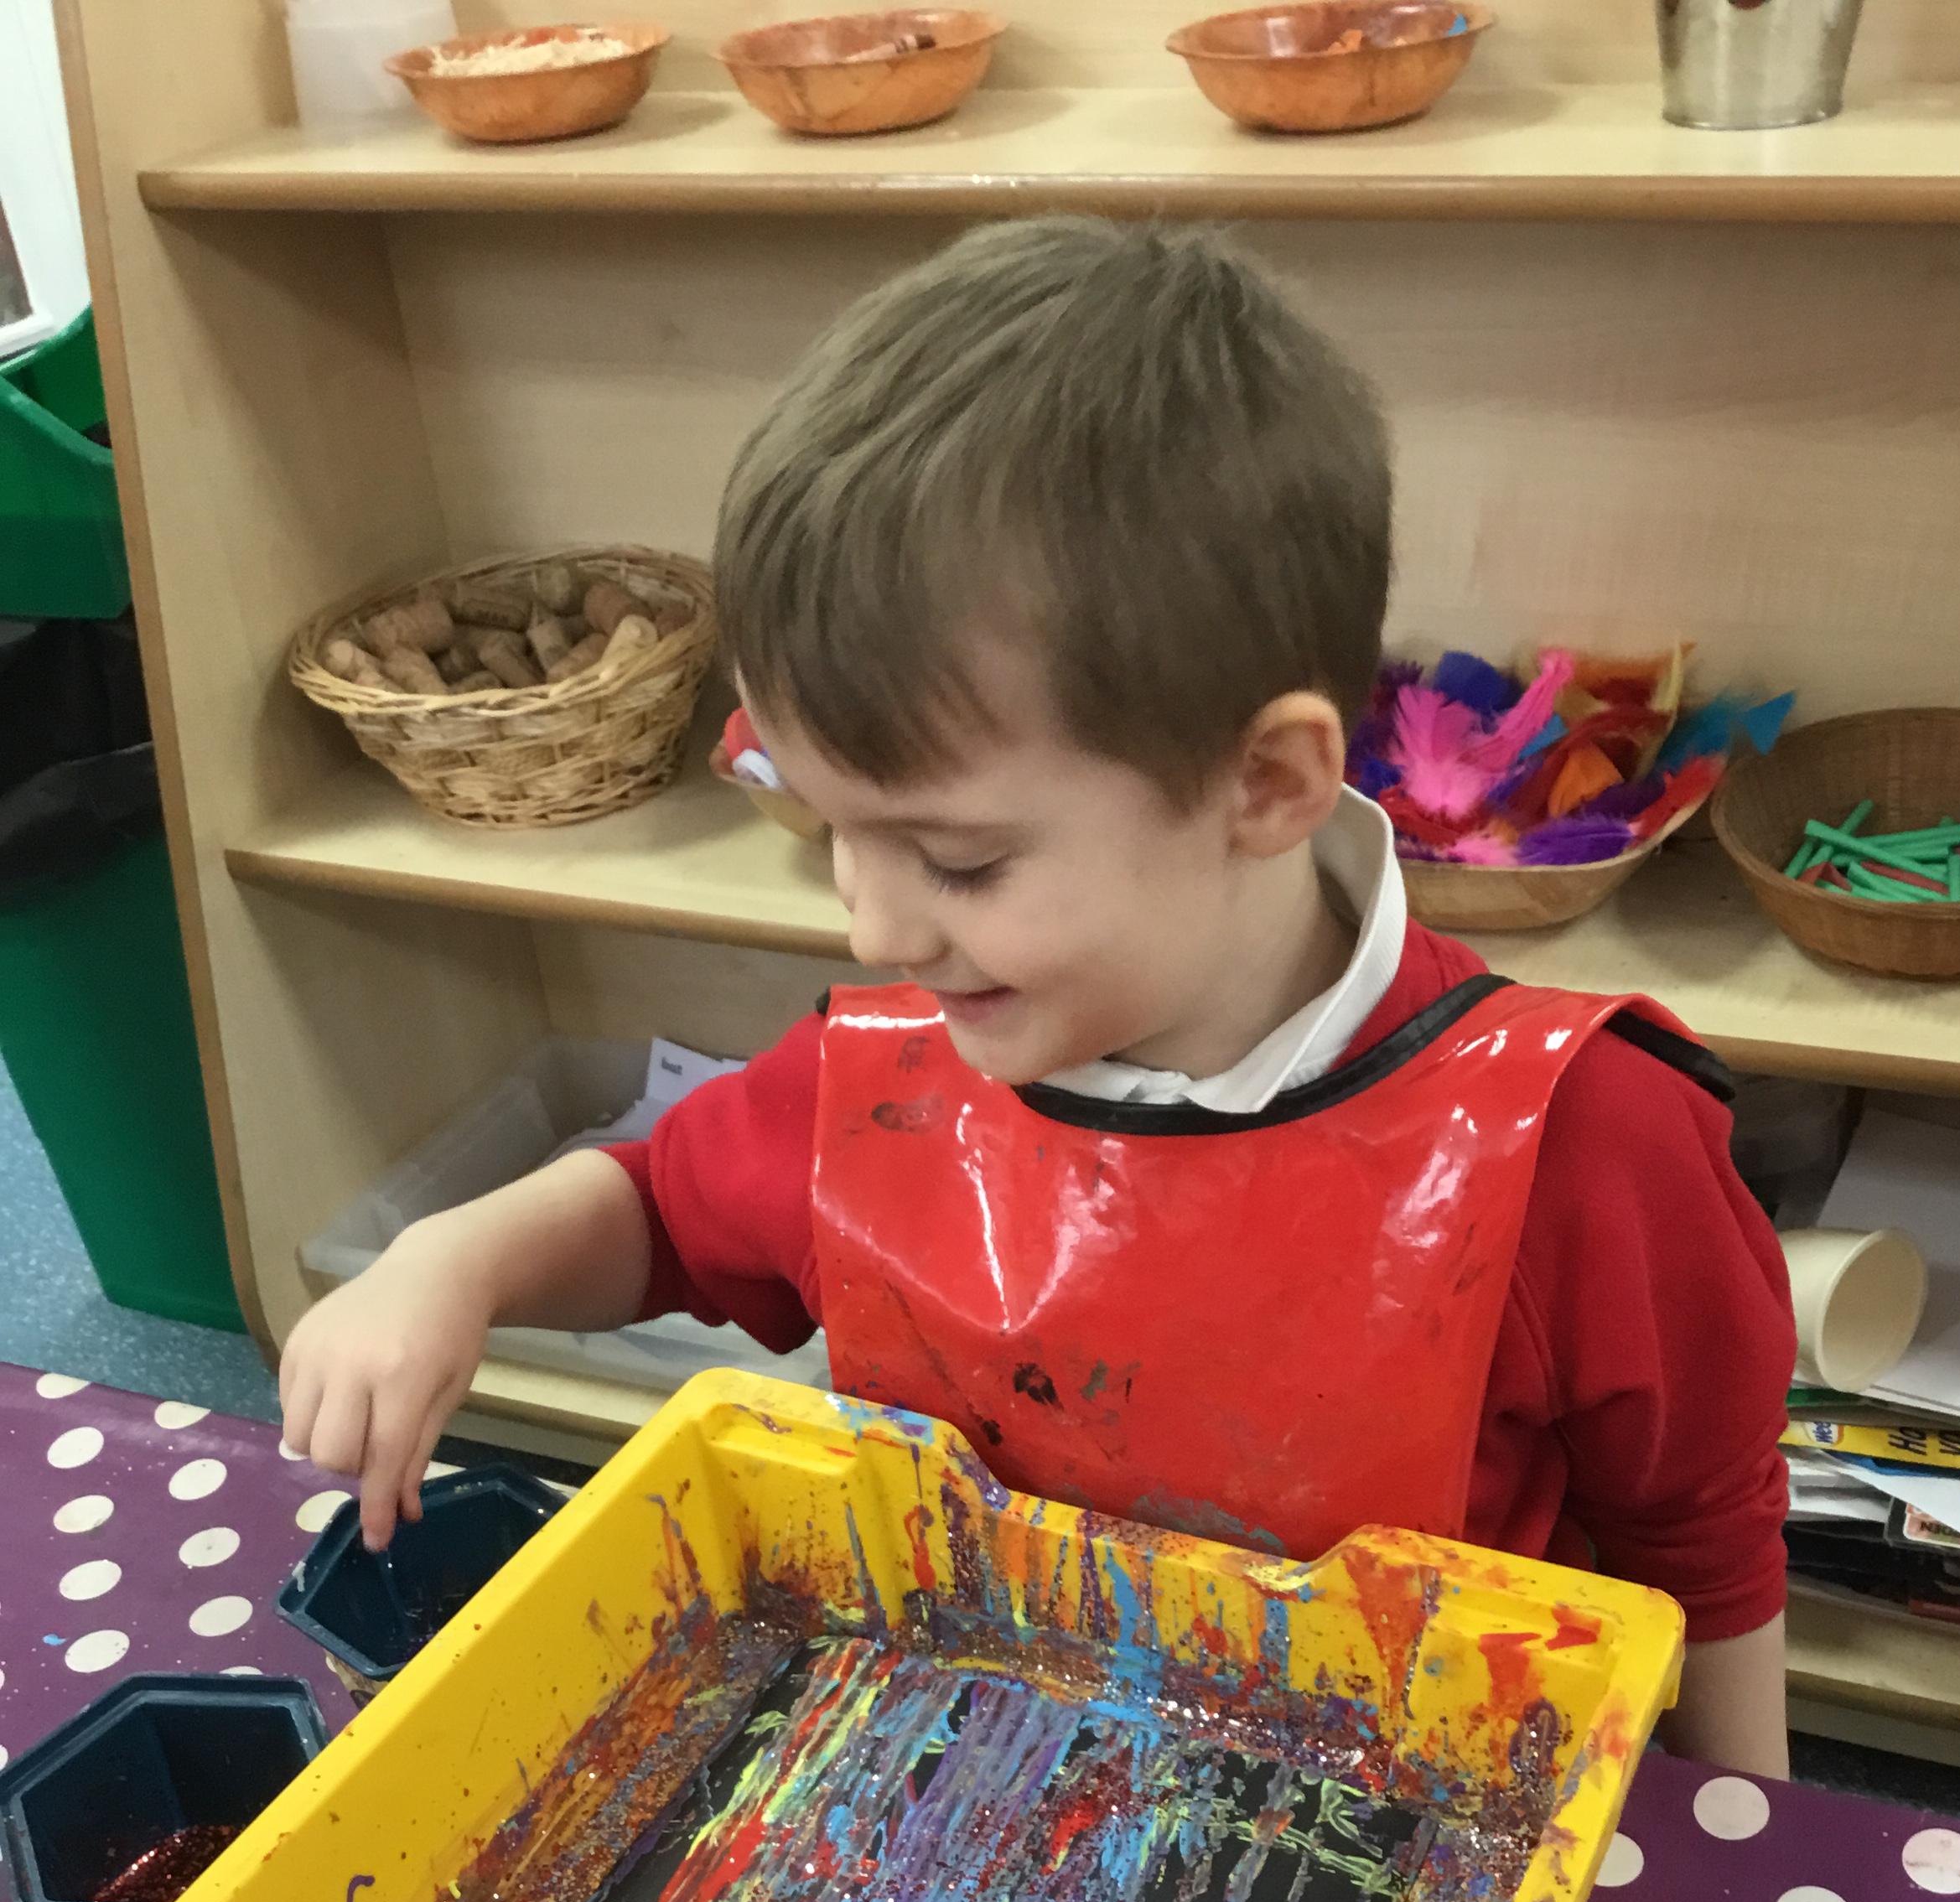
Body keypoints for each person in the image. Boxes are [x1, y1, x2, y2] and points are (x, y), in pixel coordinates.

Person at [282, 219, 1796, 1776]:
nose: (875, 927)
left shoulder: (1582, 1148)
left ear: (1267, 784)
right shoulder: (892, 1079)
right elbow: (665, 1206)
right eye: (829, 828)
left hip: (1415, 1811)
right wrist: (454, 1261)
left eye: (958, 860)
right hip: (984, 1787)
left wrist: (1759, 1838)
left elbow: (1702, 1541)